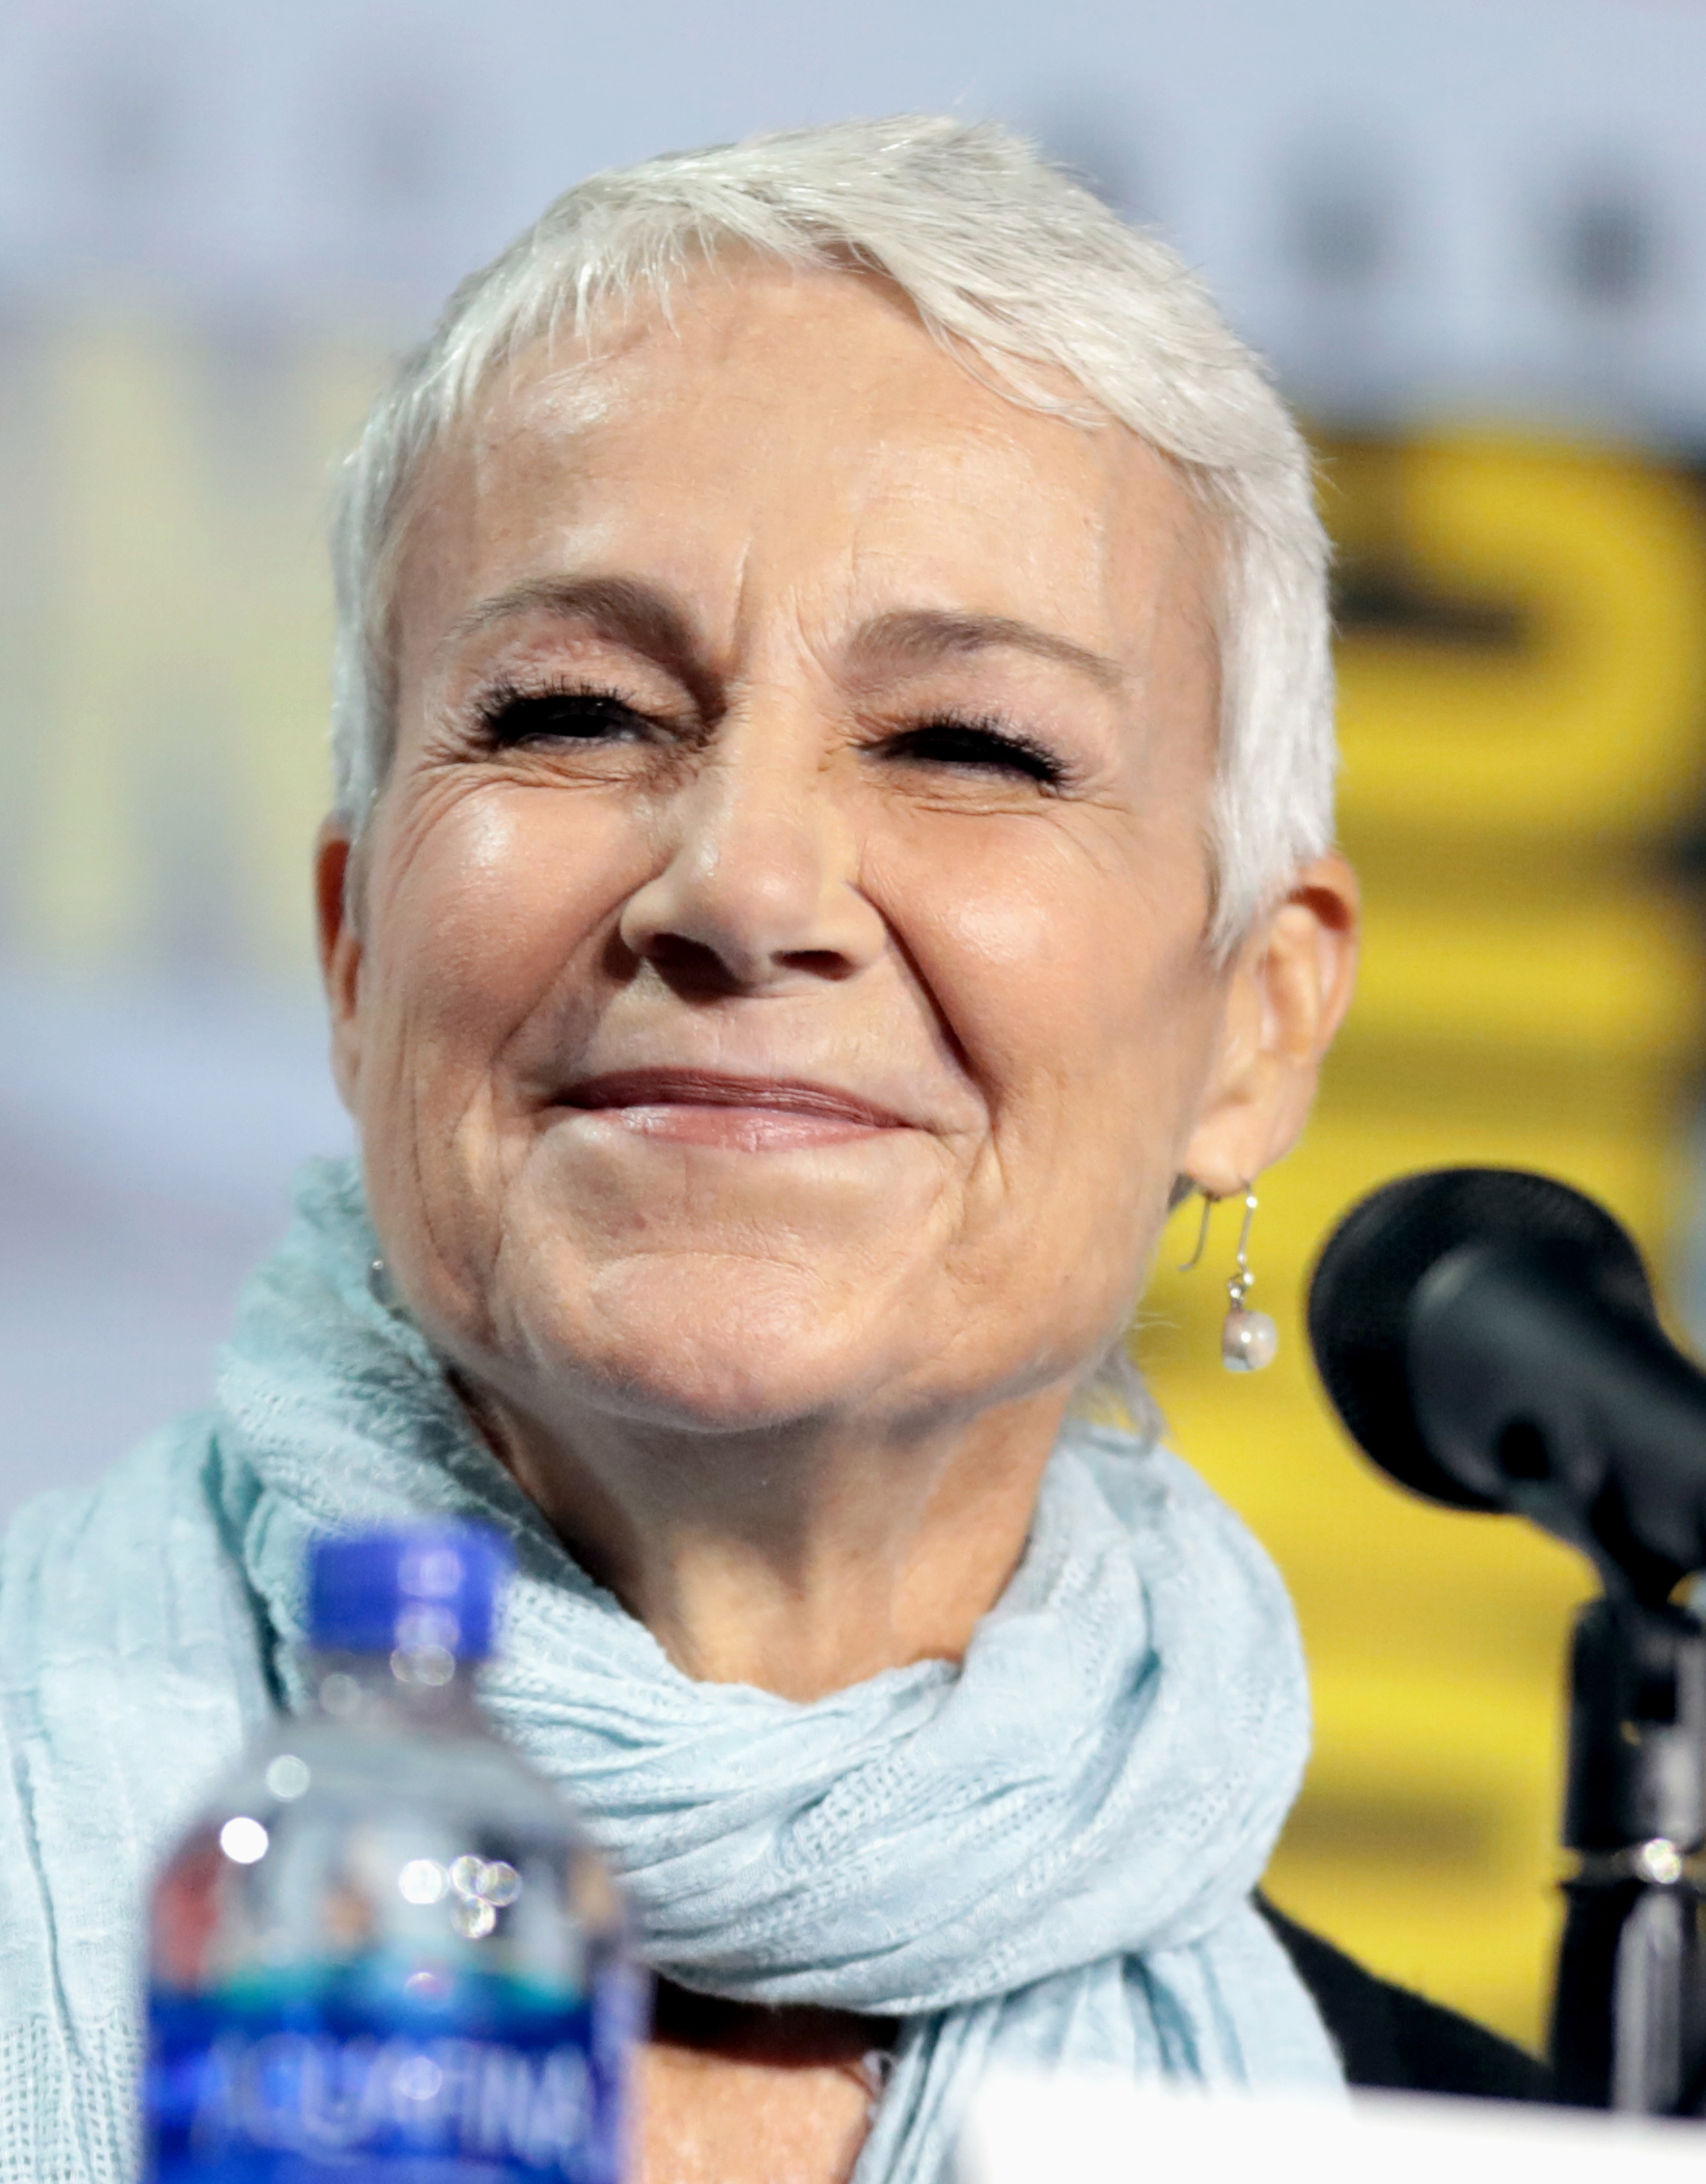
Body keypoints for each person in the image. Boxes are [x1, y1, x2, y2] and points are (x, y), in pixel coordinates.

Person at [0, 116, 1546, 2184]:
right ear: (357, 946)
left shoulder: (1464, 2142)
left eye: (968, 744)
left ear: (1255, 1024)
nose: (741, 883)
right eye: (573, 711)